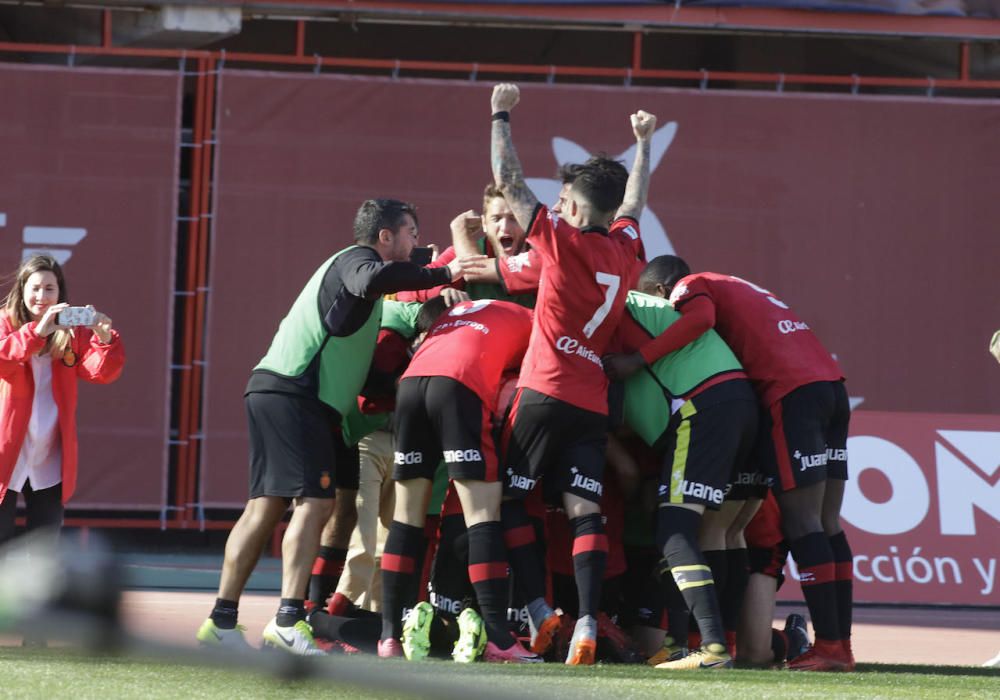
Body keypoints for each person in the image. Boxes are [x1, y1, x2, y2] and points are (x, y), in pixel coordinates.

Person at [196, 199, 486, 655]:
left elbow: (376, 345)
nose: (416, 242)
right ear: (385, 236)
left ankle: (221, 623)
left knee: (264, 508)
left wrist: (427, 290)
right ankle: (288, 620)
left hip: (278, 392)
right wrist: (442, 273)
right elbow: (371, 279)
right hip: (297, 395)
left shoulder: (367, 296)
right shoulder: (357, 260)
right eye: (410, 233)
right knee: (315, 503)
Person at [605, 255, 853, 672]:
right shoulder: (741, 288)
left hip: (786, 393)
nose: (662, 318)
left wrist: (638, 358)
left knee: (801, 522)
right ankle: (836, 645)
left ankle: (824, 646)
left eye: (657, 304)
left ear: (660, 291)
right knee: (826, 524)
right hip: (829, 385)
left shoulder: (691, 286)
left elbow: (699, 318)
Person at [489, 81, 655, 665]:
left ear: (578, 210)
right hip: (591, 403)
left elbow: (509, 181)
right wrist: (643, 143)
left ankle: (539, 611)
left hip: (543, 392)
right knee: (586, 509)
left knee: (510, 499)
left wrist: (500, 114)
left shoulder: (561, 241)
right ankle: (586, 620)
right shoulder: (626, 249)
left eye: (565, 203)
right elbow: (634, 203)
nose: (557, 208)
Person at [603, 264, 758, 671]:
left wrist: (635, 360)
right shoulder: (653, 315)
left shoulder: (623, 303)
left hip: (701, 407)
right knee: (705, 532)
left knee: (675, 531)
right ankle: (683, 644)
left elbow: (699, 317)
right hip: (734, 404)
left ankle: (713, 649)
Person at [379, 293, 537, 663]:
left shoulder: (463, 310)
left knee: (406, 517)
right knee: (482, 514)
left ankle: (388, 636)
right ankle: (498, 637)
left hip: (411, 385)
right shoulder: (536, 320)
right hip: (458, 385)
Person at [0, 254, 125, 555]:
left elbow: (101, 372)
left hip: (49, 453)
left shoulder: (71, 332)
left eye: (49, 288)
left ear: (60, 293)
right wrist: (37, 332)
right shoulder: (5, 323)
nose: (41, 296)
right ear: (21, 289)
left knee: (45, 547)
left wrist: (104, 338)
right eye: (35, 288)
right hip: (7, 449)